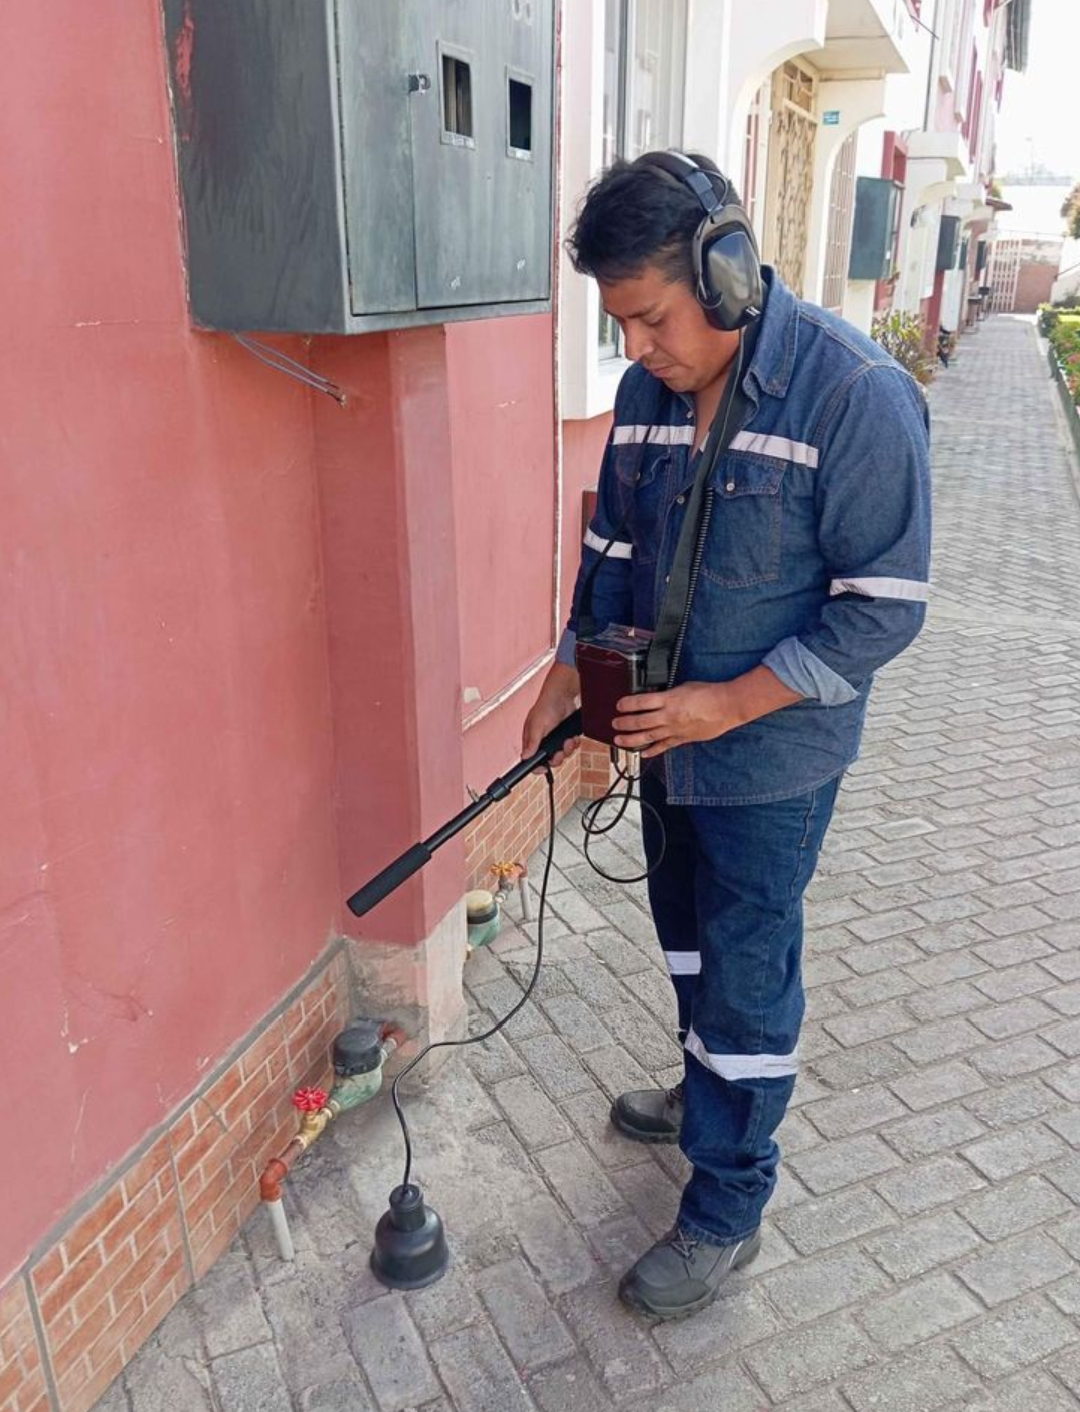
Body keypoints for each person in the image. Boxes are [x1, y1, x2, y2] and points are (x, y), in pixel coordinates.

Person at [521, 150, 931, 1321]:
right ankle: (709, 1086)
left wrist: (724, 703)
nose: (638, 351)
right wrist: (567, 668)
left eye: (651, 318)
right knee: (690, 941)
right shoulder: (651, 396)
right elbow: (612, 550)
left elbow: (884, 608)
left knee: (749, 968)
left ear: (728, 271)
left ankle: (728, 1202)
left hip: (772, 762)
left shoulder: (856, 396)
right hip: (668, 749)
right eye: (622, 327)